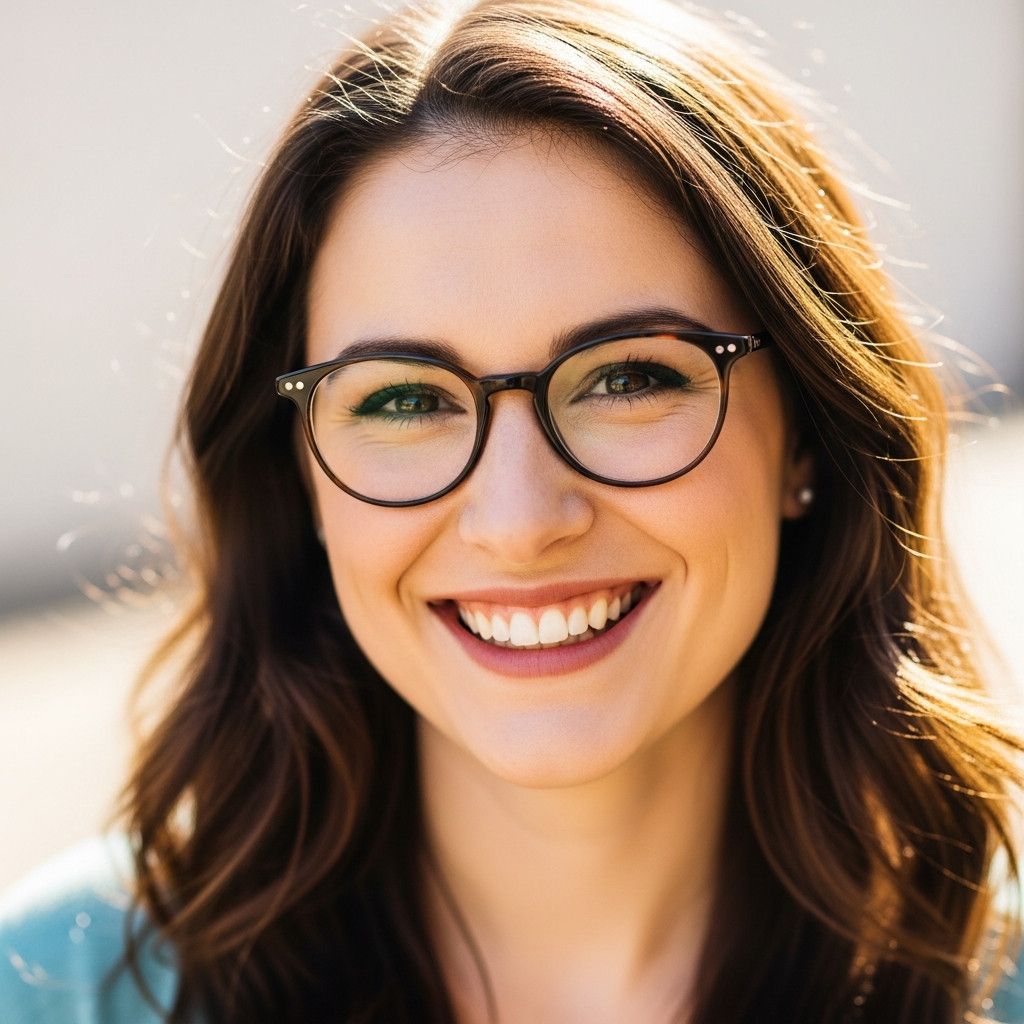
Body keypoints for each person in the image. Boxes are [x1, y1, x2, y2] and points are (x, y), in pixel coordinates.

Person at [2, 0, 1022, 1021]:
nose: (519, 519)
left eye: (627, 379)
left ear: (806, 427)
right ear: (299, 477)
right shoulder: (51, 990)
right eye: (403, 399)